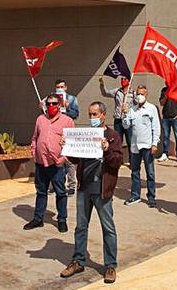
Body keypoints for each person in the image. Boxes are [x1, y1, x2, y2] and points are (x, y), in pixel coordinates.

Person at [60, 102, 124, 284]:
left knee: (108, 228)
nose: (92, 118)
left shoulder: (112, 136)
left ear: (103, 115)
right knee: (81, 226)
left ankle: (110, 265)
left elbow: (118, 160)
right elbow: (75, 158)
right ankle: (78, 260)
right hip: (84, 188)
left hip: (102, 189)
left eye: (95, 114)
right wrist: (66, 147)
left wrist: (107, 150)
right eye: (90, 114)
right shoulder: (86, 134)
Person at [25, 94, 75, 231]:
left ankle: (62, 219)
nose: (51, 106)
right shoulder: (40, 119)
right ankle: (38, 218)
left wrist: (63, 159)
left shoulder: (67, 121)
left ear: (59, 105)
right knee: (41, 191)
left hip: (57, 164)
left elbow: (71, 144)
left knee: (60, 192)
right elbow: (35, 138)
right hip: (41, 163)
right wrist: (34, 152)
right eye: (49, 104)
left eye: (54, 104)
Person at [122, 85, 159, 207]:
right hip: (134, 146)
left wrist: (155, 143)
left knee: (150, 173)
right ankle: (135, 195)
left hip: (147, 145)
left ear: (146, 94)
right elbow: (126, 126)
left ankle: (151, 197)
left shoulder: (151, 108)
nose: (140, 96)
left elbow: (156, 127)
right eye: (138, 93)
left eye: (142, 94)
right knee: (135, 172)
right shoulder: (132, 109)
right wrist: (125, 114)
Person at [99, 75, 134, 150]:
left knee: (130, 142)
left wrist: (128, 110)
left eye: (125, 79)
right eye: (121, 79)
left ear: (129, 81)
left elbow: (137, 106)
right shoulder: (117, 91)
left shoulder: (133, 93)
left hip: (128, 120)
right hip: (118, 120)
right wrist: (102, 84)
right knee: (118, 142)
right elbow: (105, 93)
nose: (122, 81)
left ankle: (132, 161)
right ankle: (118, 160)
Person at [157, 85, 177, 165]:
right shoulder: (164, 90)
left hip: (176, 118)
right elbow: (161, 103)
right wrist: (166, 95)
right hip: (166, 117)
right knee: (166, 136)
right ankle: (165, 153)